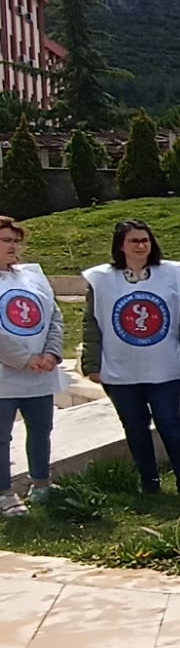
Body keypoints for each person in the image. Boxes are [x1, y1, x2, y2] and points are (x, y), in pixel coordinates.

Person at [83, 220, 180, 496]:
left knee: (170, 422)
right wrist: (91, 362)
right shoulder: (100, 279)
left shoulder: (171, 273)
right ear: (120, 245)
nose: (141, 246)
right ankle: (149, 481)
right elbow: (92, 323)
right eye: (134, 241)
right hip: (121, 369)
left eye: (145, 240)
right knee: (135, 426)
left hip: (164, 367)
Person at [0, 216, 66, 516]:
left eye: (16, 240)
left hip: (41, 372)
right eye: (5, 241)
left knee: (41, 429)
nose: (13, 246)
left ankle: (41, 484)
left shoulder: (31, 276)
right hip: (5, 375)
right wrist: (24, 359)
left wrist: (51, 352)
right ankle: (4, 493)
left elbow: (54, 315)